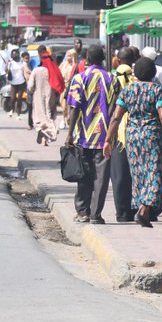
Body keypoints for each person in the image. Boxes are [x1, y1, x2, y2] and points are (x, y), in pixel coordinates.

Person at [103, 57, 162, 227]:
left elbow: (116, 117)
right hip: (152, 137)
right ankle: (144, 209)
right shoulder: (157, 90)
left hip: (132, 138)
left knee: (138, 174)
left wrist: (108, 140)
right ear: (153, 73)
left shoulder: (127, 91)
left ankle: (142, 208)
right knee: (155, 173)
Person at [66, 45, 115, 224]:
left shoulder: (80, 78)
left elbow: (74, 108)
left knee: (84, 175)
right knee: (101, 178)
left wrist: (69, 134)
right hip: (105, 137)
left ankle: (82, 211)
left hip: (84, 136)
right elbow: (117, 109)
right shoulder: (112, 79)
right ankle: (96, 214)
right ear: (103, 59)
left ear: (86, 59)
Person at [108, 47, 139, 222]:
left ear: (118, 60)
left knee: (119, 174)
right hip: (137, 129)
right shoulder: (138, 77)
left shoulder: (117, 76)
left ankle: (122, 212)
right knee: (134, 173)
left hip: (120, 130)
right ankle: (135, 208)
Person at [27, 48, 57, 144]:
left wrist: (32, 91)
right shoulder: (52, 70)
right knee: (49, 116)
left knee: (40, 116)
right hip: (50, 97)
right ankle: (46, 137)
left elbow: (30, 86)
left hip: (38, 97)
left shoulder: (36, 70)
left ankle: (43, 132)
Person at [5, 49, 27, 118]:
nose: (14, 55)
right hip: (13, 83)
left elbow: (24, 70)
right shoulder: (10, 62)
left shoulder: (21, 61)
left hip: (21, 82)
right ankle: (11, 110)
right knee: (13, 98)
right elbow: (6, 70)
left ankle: (18, 114)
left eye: (15, 54)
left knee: (19, 98)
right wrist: (7, 63)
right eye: (13, 54)